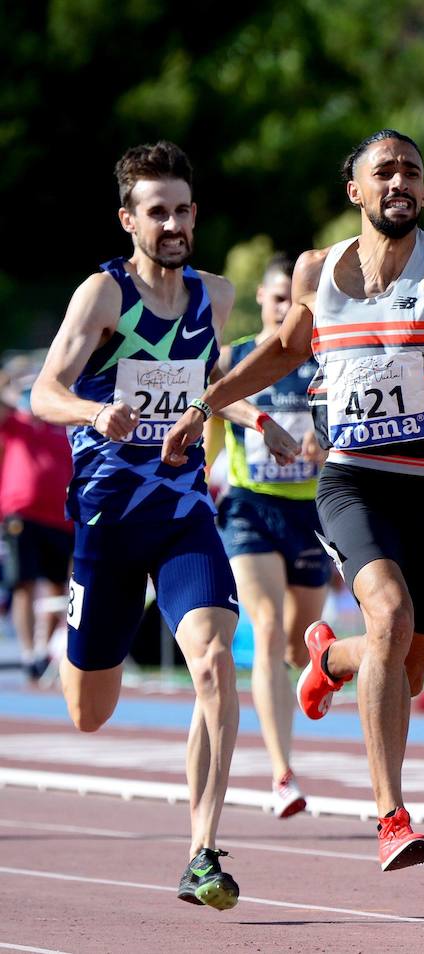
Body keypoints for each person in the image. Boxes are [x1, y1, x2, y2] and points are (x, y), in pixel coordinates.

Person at [162, 130, 424, 872]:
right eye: (384, 171)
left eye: (413, 173)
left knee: (406, 669)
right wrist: (204, 406)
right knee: (390, 616)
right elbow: (282, 349)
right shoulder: (318, 271)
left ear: (423, 194)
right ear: (355, 191)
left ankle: (331, 661)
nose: (400, 181)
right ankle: (392, 816)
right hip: (354, 480)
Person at [31, 141, 299, 910]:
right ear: (129, 220)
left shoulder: (215, 293)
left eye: (183, 209)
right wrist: (94, 410)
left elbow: (207, 380)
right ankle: (74, 648)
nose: (174, 223)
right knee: (90, 713)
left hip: (185, 514)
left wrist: (252, 418)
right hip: (109, 521)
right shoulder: (102, 296)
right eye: (158, 212)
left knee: (214, 662)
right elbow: (45, 393)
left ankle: (203, 852)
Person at [212, 253, 330, 819]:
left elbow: (348, 427)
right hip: (249, 508)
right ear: (261, 297)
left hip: (309, 513)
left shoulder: (323, 360)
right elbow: (213, 403)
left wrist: (322, 448)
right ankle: (283, 774)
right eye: (278, 297)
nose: (286, 307)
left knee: (296, 643)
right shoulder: (236, 357)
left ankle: (316, 675)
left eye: (295, 300)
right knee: (262, 629)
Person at [0, 360, 75, 683]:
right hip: (23, 514)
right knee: (24, 582)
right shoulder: (16, 422)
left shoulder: (64, 424)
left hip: (61, 518)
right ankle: (30, 653)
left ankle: (46, 649)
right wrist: (11, 386)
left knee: (59, 586)